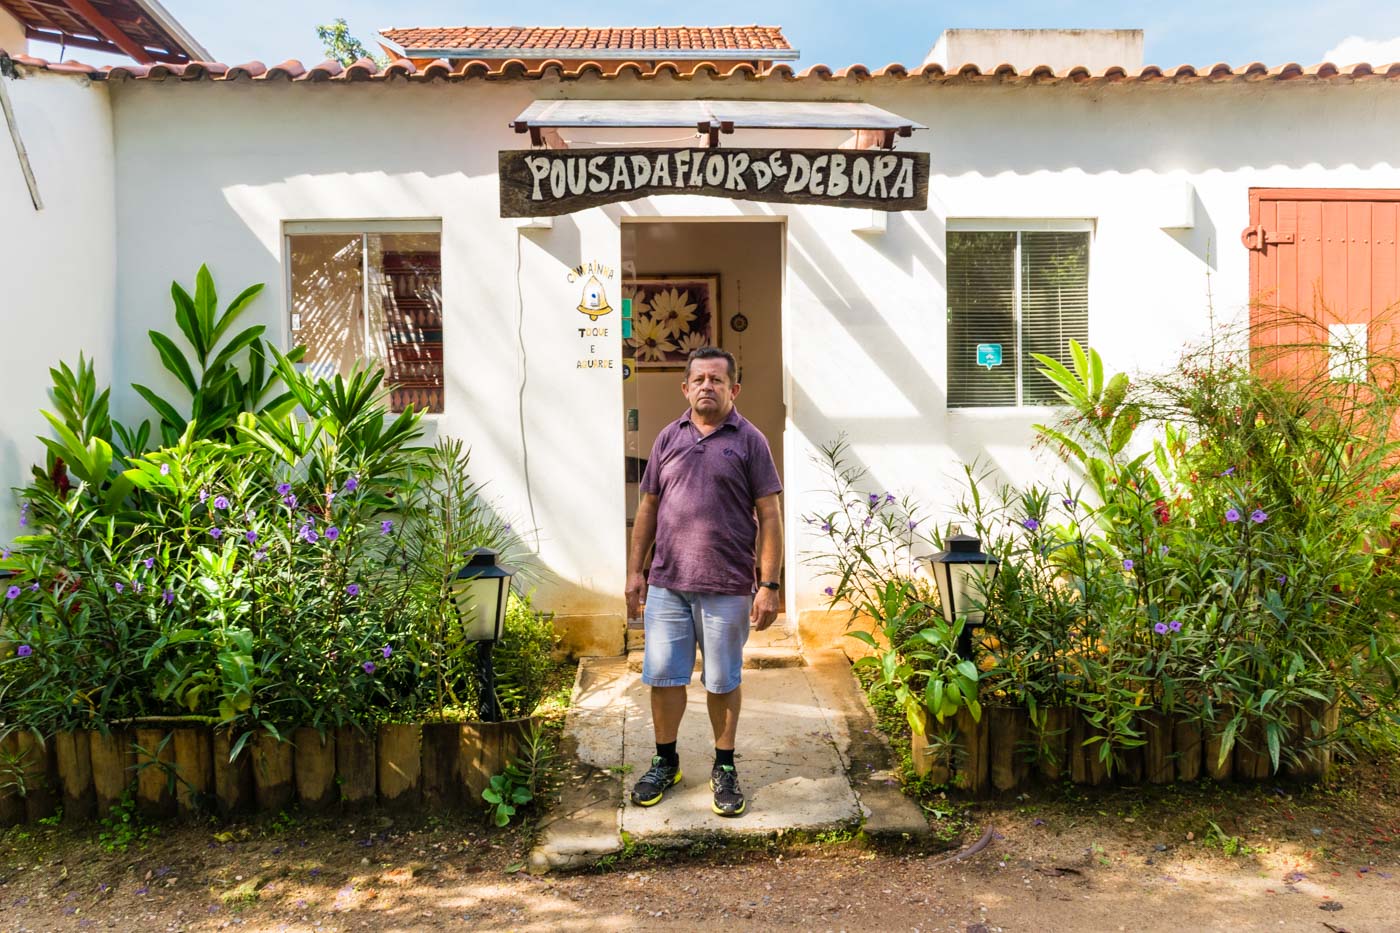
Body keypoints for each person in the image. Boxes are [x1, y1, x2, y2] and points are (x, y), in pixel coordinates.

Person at [625, 346, 783, 817]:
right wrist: (636, 572)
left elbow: (770, 515)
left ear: (734, 388)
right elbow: (648, 507)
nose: (707, 387)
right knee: (664, 677)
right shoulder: (667, 438)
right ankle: (665, 761)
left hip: (728, 583)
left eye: (717, 379)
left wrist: (769, 584)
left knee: (721, 680)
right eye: (699, 379)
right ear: (686, 388)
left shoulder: (750, 440)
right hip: (667, 582)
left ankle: (725, 765)